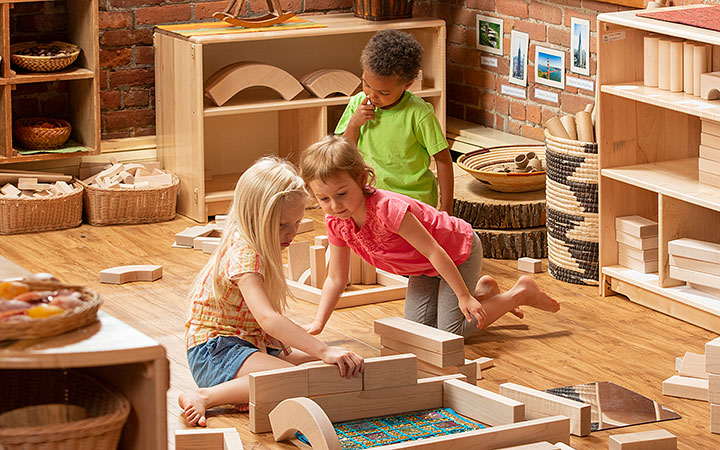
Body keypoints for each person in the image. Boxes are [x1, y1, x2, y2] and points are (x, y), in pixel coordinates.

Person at [299, 135, 560, 338]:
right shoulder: (337, 221)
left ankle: (519, 293)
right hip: (423, 269)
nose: (334, 205)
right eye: (324, 199)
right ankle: (483, 292)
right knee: (420, 332)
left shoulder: (388, 210)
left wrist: (462, 296)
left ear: (362, 179)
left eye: (342, 194)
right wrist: (319, 322)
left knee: (450, 332)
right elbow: (336, 278)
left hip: (456, 253)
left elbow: (435, 251)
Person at [179, 156, 364, 427]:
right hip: (215, 353)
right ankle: (205, 396)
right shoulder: (245, 255)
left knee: (333, 362)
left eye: (297, 222)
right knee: (296, 378)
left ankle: (252, 385)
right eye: (281, 225)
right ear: (254, 216)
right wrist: (323, 350)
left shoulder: (255, 241)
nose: (292, 232)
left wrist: (321, 352)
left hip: (247, 343)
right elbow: (268, 318)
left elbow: (266, 325)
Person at [335, 29, 454, 214]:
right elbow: (343, 153)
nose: (372, 96)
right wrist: (354, 124)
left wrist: (446, 207)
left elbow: (443, 159)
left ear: (407, 85)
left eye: (384, 93)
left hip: (413, 203)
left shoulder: (418, 114)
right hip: (370, 199)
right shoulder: (357, 104)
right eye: (366, 84)